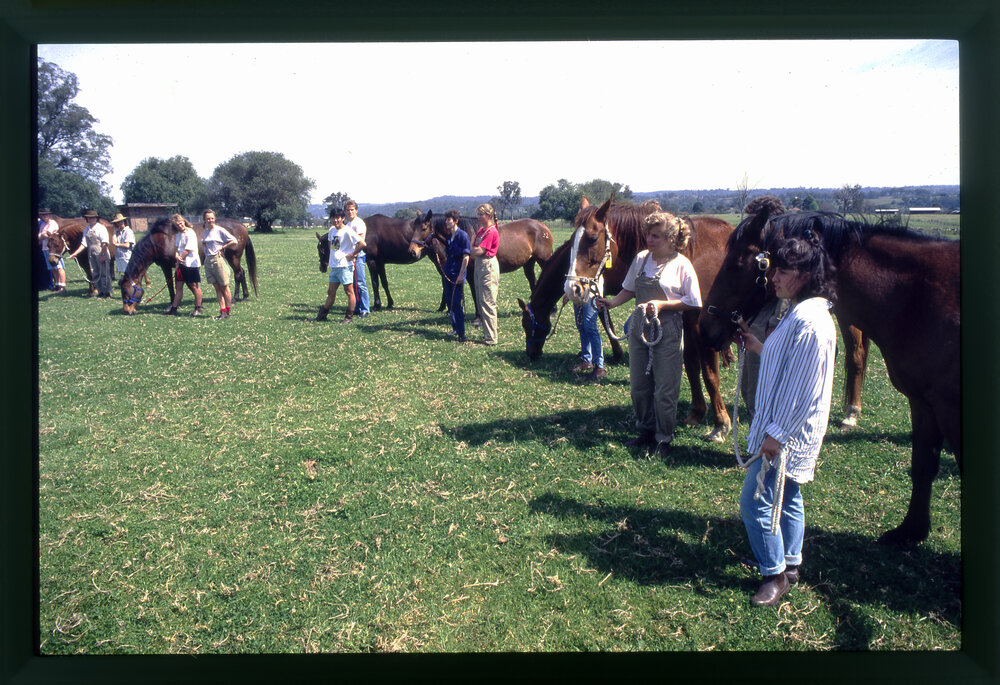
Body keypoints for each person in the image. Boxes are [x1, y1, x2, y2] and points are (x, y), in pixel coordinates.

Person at [733, 233, 837, 607]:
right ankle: (790, 564)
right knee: (788, 494)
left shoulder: (809, 322)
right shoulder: (801, 312)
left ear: (807, 274)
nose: (773, 277)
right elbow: (790, 365)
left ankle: (773, 575)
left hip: (786, 432)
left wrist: (774, 436)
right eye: (774, 269)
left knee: (755, 502)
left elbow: (802, 389)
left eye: (783, 270)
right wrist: (760, 346)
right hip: (787, 429)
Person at [595, 211, 701, 457]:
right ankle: (645, 430)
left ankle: (663, 438)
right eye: (648, 234)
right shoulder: (642, 259)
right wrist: (611, 303)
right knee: (639, 386)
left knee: (665, 387)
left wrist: (663, 305)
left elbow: (694, 302)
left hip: (668, 330)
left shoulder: (681, 264)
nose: (649, 240)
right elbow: (629, 289)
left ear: (671, 239)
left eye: (656, 236)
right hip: (640, 327)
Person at [566, 225, 606, 381]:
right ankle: (586, 360)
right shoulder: (577, 248)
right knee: (581, 325)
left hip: (591, 290)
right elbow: (573, 271)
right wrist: (568, 291)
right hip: (578, 289)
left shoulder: (592, 249)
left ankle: (599, 365)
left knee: (590, 326)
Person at [315, 207, 366, 324]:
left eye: (338, 218)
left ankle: (349, 317)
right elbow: (334, 247)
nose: (335, 220)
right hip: (335, 267)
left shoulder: (348, 230)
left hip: (345, 267)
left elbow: (362, 243)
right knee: (331, 292)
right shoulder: (333, 231)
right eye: (333, 218)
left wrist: (353, 254)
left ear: (343, 218)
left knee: (349, 292)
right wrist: (331, 259)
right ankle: (322, 316)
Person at [199, 209, 238, 320]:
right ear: (204, 220)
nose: (210, 220)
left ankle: (228, 311)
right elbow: (205, 244)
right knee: (217, 288)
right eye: (208, 218)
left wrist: (222, 247)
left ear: (214, 218)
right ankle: (222, 311)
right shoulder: (206, 231)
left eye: (212, 218)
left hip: (218, 260)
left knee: (224, 287)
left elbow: (234, 240)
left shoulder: (220, 230)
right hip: (208, 260)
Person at [470, 203, 500, 346]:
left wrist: (469, 249)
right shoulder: (482, 230)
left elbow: (479, 250)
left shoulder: (491, 231)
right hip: (479, 264)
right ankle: (487, 334)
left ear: (488, 216)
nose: (478, 217)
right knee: (481, 299)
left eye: (480, 214)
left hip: (487, 264)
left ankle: (491, 338)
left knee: (488, 301)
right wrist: (473, 249)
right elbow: (475, 248)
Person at [441, 209, 471, 342]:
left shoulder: (463, 236)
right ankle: (455, 328)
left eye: (449, 219)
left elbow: (466, 257)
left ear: (456, 221)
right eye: (446, 219)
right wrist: (438, 248)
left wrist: (461, 275)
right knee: (449, 301)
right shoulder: (448, 237)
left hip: (457, 274)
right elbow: (447, 255)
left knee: (456, 303)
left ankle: (462, 333)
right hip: (447, 272)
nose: (446, 222)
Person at [165, 214, 204, 316]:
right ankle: (174, 308)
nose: (180, 226)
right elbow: (176, 248)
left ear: (184, 222)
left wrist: (180, 258)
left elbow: (188, 249)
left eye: (181, 223)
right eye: (177, 225)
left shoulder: (190, 232)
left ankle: (198, 307)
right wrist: (176, 256)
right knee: (178, 286)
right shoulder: (179, 234)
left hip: (191, 264)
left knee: (194, 286)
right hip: (181, 264)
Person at [68, 209, 111, 298]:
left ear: (96, 218)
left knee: (104, 272)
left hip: (101, 251)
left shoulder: (101, 228)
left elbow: (105, 242)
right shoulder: (86, 229)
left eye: (92, 218)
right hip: (91, 253)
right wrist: (75, 253)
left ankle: (106, 293)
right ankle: (100, 291)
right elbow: (84, 243)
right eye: (89, 218)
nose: (91, 220)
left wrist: (103, 255)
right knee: (94, 272)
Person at [345, 200, 371, 318]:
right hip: (350, 256)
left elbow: (361, 241)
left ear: (356, 210)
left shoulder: (358, 223)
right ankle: (357, 307)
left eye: (352, 210)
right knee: (353, 283)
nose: (350, 212)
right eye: (348, 210)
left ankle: (365, 309)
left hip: (357, 256)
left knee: (360, 283)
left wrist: (354, 255)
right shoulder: (348, 224)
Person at [37, 208, 64, 292]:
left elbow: (47, 235)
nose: (45, 216)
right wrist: (42, 235)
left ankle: (62, 286)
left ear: (49, 215)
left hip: (53, 249)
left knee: (59, 267)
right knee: (52, 268)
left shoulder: (53, 224)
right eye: (43, 215)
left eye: (46, 214)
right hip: (45, 248)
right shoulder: (42, 224)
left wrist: (42, 235)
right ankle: (57, 285)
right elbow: (40, 236)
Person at [111, 213, 135, 278]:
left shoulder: (128, 231)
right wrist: (114, 232)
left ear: (124, 221)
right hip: (119, 257)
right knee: (123, 275)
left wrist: (118, 244)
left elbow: (127, 245)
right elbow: (113, 242)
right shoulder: (118, 232)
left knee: (130, 274)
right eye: (117, 222)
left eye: (121, 221)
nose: (119, 223)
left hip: (127, 256)